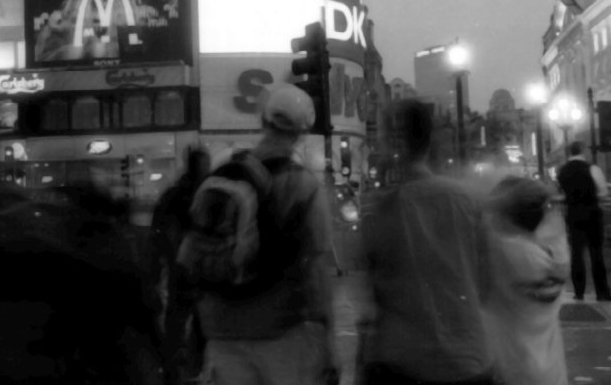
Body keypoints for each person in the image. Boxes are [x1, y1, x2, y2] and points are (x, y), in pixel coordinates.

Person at [180, 83, 337, 385]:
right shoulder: (303, 185)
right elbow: (317, 268)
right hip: (280, 334)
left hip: (220, 331)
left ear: (263, 121)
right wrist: (327, 338)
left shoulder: (223, 173)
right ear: (302, 133)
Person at [360, 99, 494, 385]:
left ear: (393, 140)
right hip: (468, 357)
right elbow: (487, 281)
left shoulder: (382, 209)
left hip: (404, 361)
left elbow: (375, 290)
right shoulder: (466, 200)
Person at [482, 176, 568, 385]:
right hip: (552, 375)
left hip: (511, 371)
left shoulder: (506, 252)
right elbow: (553, 222)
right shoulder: (558, 255)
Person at [148, 146, 209, 384]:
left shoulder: (173, 195)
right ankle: (195, 369)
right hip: (198, 270)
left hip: (179, 269)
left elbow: (158, 235)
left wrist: (156, 269)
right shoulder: (205, 194)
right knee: (199, 324)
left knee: (177, 321)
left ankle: (172, 370)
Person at [556, 140, 611, 301]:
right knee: (596, 254)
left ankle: (578, 292)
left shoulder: (563, 171)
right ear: (582, 150)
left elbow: (562, 193)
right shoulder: (592, 169)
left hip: (573, 215)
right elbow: (602, 192)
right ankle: (602, 292)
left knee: (576, 254)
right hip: (592, 213)